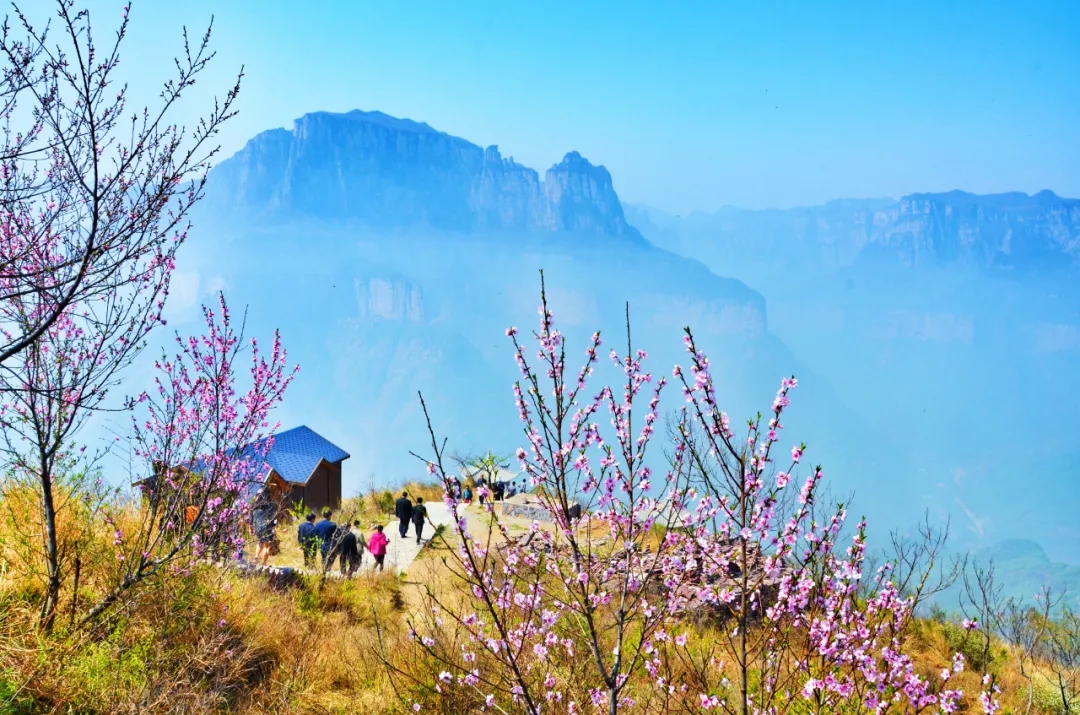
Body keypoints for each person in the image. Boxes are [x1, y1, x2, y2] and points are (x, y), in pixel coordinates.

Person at [251, 490, 278, 566]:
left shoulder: (254, 505)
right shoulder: (271, 505)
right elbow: (273, 518)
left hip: (257, 528)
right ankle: (264, 563)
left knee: (260, 542)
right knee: (267, 545)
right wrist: (274, 526)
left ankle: (256, 558)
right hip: (267, 527)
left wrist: (251, 528)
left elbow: (251, 519)